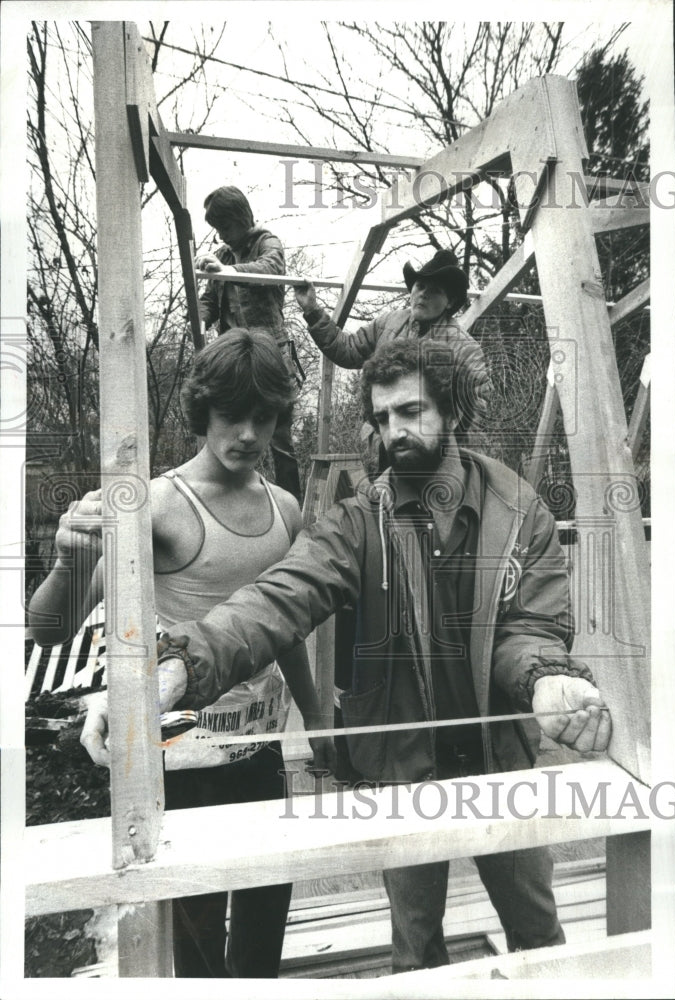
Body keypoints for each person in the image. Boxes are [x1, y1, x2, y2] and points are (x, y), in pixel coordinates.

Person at [82, 337, 611, 973]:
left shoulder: (520, 511)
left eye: (411, 412)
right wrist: (173, 669)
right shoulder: (359, 521)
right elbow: (277, 600)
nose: (396, 432)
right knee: (416, 947)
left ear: (452, 412)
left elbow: (527, 626)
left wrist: (546, 679)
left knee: (537, 929)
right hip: (405, 769)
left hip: (502, 760)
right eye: (384, 418)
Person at [28, 329, 335, 979]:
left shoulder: (284, 510)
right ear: (203, 412)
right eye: (231, 415)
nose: (248, 433)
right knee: (198, 963)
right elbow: (49, 629)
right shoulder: (160, 505)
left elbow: (284, 631)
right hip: (182, 768)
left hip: (260, 761)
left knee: (258, 952)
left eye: (264, 416)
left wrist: (319, 718)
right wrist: (66, 563)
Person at [295, 247, 491, 472]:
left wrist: (464, 467)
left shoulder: (464, 348)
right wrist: (312, 310)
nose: (423, 294)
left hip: (432, 454)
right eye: (420, 286)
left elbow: (475, 414)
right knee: (383, 501)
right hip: (385, 444)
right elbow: (347, 350)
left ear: (449, 302)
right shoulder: (389, 322)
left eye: (434, 290)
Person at [196, 185, 303, 502]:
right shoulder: (222, 255)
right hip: (233, 357)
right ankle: (229, 501)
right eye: (217, 231)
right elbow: (209, 302)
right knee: (229, 430)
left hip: (270, 353)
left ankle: (290, 507)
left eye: (225, 227)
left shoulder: (266, 242)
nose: (223, 236)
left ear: (242, 218)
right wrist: (200, 323)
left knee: (279, 438)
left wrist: (228, 271)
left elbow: (272, 269)